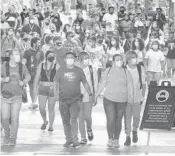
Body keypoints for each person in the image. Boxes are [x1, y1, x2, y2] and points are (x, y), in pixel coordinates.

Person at [54, 52, 94, 147]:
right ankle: (69, 139)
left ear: (75, 59)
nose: (70, 59)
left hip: (75, 100)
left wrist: (90, 93)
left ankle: (75, 139)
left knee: (74, 119)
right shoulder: (60, 70)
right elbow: (55, 82)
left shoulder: (79, 71)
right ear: (65, 59)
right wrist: (56, 95)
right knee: (65, 120)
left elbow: (85, 83)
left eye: (71, 57)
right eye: (68, 57)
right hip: (63, 99)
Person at [95, 54, 134, 148]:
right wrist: (96, 95)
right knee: (111, 119)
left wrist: (130, 98)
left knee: (118, 120)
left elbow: (130, 86)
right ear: (113, 61)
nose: (119, 61)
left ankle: (116, 139)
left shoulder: (126, 72)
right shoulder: (107, 71)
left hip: (122, 100)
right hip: (109, 99)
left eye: (121, 60)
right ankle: (110, 139)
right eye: (117, 60)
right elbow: (102, 83)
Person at [1, 49, 31, 146]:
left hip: (17, 96)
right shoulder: (4, 66)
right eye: (16, 54)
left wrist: (24, 82)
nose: (18, 56)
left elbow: (28, 76)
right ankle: (7, 134)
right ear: (11, 56)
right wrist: (3, 79)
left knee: (14, 118)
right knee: (5, 117)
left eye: (18, 54)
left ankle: (13, 138)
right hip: (4, 96)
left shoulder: (22, 66)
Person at [124, 51, 146, 146]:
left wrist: (143, 95)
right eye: (132, 57)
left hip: (138, 97)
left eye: (135, 57)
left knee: (137, 116)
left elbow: (144, 83)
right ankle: (128, 136)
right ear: (127, 59)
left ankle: (134, 130)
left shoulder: (140, 68)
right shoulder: (124, 69)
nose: (134, 59)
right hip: (126, 98)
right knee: (127, 118)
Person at [34, 50, 59, 131]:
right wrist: (35, 88)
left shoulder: (57, 66)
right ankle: (45, 121)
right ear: (46, 56)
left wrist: (58, 91)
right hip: (42, 88)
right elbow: (37, 77)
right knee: (41, 108)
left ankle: (51, 125)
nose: (52, 57)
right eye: (50, 55)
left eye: (53, 55)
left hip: (53, 89)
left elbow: (59, 79)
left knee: (51, 108)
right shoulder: (41, 65)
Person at [77, 52, 98, 144]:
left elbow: (95, 83)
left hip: (88, 96)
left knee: (87, 116)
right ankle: (83, 137)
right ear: (80, 60)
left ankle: (89, 129)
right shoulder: (75, 70)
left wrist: (95, 95)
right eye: (85, 58)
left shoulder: (92, 69)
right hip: (77, 97)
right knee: (80, 117)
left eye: (88, 58)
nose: (87, 60)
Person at [23, 37, 44, 109]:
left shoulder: (41, 52)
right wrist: (23, 72)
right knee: (32, 88)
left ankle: (34, 102)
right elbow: (23, 62)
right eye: (38, 43)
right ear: (33, 43)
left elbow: (43, 62)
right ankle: (33, 102)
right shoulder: (27, 52)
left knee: (36, 87)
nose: (39, 44)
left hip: (39, 73)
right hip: (30, 73)